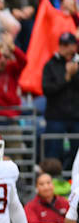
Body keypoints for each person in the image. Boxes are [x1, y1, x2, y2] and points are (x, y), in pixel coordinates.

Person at [41, 32, 79, 166]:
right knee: (53, 152)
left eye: (68, 44)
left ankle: (74, 181)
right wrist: (67, 77)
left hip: (76, 117)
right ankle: (53, 181)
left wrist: (74, 75)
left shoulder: (77, 63)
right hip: (55, 117)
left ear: (75, 46)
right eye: (62, 44)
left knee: (77, 153)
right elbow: (47, 90)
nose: (64, 47)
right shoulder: (50, 64)